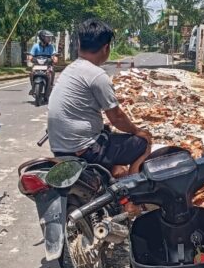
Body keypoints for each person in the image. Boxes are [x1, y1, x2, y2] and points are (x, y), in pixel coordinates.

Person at [47, 19, 152, 180]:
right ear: (106, 48)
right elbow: (116, 117)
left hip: (59, 148)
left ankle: (114, 173)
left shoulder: (70, 70)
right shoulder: (96, 75)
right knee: (143, 142)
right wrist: (137, 131)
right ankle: (133, 195)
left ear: (80, 44)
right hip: (85, 150)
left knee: (107, 131)